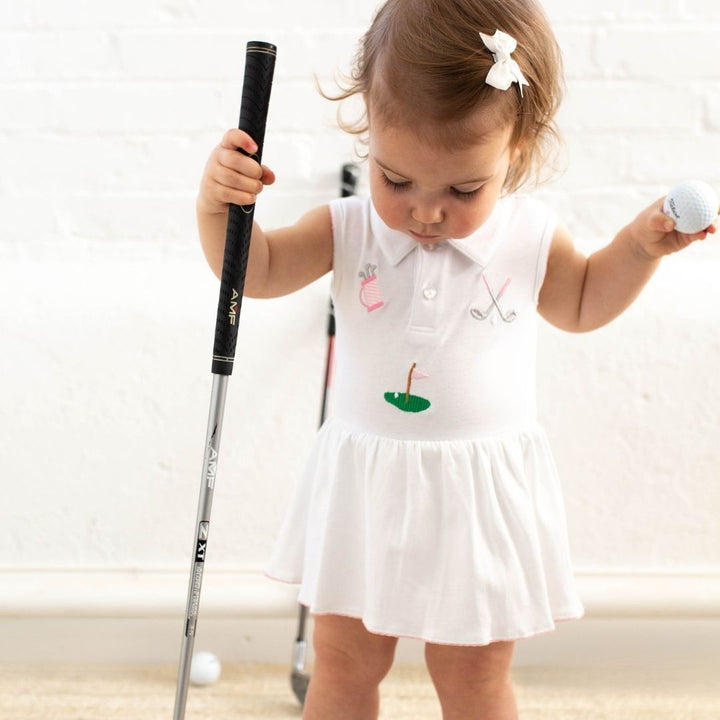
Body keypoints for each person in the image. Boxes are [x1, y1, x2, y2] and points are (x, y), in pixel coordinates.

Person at [196, 1, 716, 718]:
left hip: (478, 497)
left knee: (473, 682)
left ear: (518, 153)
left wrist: (637, 247)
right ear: (368, 136)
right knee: (342, 670)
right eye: (396, 179)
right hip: (368, 484)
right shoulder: (349, 230)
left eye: (463, 189)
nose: (425, 211)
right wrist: (220, 211)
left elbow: (585, 301)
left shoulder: (529, 236)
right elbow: (254, 272)